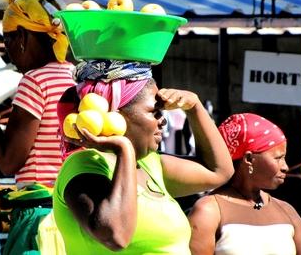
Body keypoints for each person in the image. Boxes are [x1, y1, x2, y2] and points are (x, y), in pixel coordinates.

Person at [53, 59, 234, 254]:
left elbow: (219, 171)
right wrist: (124, 148)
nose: (162, 120)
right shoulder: (83, 165)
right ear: (117, 114)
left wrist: (195, 107)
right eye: (154, 112)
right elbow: (116, 236)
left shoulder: (150, 164)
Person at [0, 0, 76, 254]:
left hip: (41, 216)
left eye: (7, 38)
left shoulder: (36, 80)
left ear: (22, 36)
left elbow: (8, 160)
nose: (7, 48)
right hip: (73, 212)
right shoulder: (75, 75)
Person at [188, 113, 301, 255]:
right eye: (278, 158)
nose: (285, 167)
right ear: (249, 159)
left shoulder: (287, 211)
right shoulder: (209, 211)